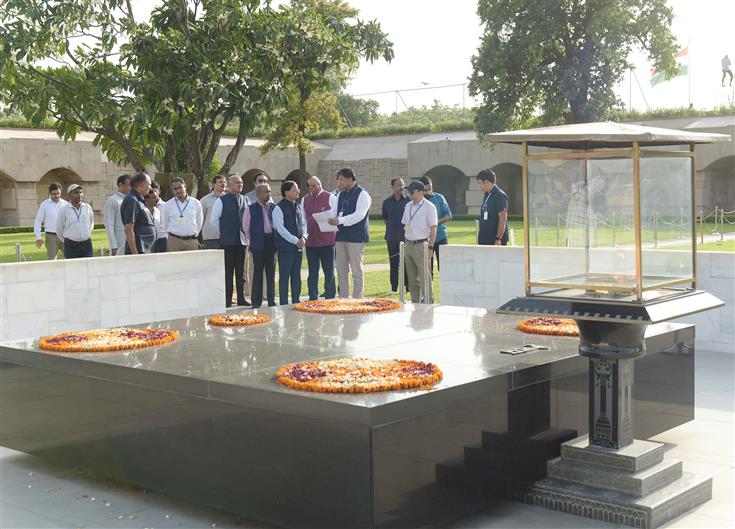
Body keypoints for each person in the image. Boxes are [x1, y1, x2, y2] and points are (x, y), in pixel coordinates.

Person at [328, 168, 371, 298]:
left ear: (350, 179)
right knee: (341, 270)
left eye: (341, 179)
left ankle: (357, 300)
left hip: (356, 238)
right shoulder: (340, 194)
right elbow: (333, 212)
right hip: (341, 237)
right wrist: (326, 218)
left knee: (356, 270)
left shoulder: (362, 194)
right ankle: (343, 298)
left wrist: (340, 220)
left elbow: (359, 215)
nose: (339, 182)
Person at [210, 175, 248, 307]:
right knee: (228, 272)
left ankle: (241, 298)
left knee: (241, 272)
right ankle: (227, 300)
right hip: (227, 242)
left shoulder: (245, 200)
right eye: (237, 182)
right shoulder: (221, 201)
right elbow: (214, 220)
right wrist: (224, 232)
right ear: (229, 185)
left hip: (242, 241)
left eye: (241, 182)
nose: (240, 184)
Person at [401, 181, 437, 303]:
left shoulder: (429, 207)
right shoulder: (408, 206)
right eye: (409, 191)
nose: (409, 194)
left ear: (421, 192)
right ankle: (415, 303)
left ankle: (428, 302)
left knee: (424, 277)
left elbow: (433, 228)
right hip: (408, 244)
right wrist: (407, 235)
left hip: (422, 245)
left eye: (412, 192)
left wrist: (431, 247)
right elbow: (406, 224)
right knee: (412, 279)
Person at [243, 183, 277, 308]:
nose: (268, 194)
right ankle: (256, 302)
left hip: (271, 243)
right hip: (258, 243)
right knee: (257, 273)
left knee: (271, 273)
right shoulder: (250, 209)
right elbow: (246, 228)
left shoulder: (273, 207)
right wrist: (253, 240)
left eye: (269, 191)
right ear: (258, 194)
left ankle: (271, 300)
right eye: (266, 192)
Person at [273, 180, 307, 306]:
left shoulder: (298, 206)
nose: (298, 191)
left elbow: (304, 224)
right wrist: (295, 241)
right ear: (286, 192)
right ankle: (283, 303)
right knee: (284, 276)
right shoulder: (278, 208)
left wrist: (304, 237)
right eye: (294, 189)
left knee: (296, 275)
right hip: (285, 248)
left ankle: (296, 300)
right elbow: (280, 229)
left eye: (297, 189)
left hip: (298, 248)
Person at [303, 176, 337, 300]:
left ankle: (330, 296)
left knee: (329, 271)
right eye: (310, 186)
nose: (312, 188)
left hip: (327, 241)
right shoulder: (304, 200)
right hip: (311, 242)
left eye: (315, 185)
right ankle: (313, 296)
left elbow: (335, 215)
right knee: (312, 272)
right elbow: (303, 219)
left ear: (320, 184)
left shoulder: (331, 198)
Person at [243, 171, 271, 299]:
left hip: (269, 240)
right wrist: (251, 239)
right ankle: (254, 294)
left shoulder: (269, 197)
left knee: (268, 269)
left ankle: (266, 294)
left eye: (265, 180)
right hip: (255, 240)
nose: (263, 183)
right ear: (254, 183)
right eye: (260, 180)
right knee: (254, 268)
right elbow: (246, 224)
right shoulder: (248, 197)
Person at [419, 175, 452, 274]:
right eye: (426, 190)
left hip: (441, 237)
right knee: (427, 269)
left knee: (444, 268)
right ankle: (429, 288)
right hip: (425, 240)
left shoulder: (439, 198)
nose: (429, 192)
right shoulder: (417, 201)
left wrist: (435, 222)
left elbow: (448, 215)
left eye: (430, 189)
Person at [381, 178, 409, 292]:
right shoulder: (386, 202)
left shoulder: (408, 201)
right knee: (393, 264)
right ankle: (394, 287)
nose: (402, 187)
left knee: (407, 263)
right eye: (399, 185)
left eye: (403, 184)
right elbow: (385, 218)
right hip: (391, 238)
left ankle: (408, 287)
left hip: (406, 237)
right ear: (392, 187)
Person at [163, 177, 203, 252]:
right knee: (173, 263)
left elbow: (199, 222)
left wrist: (193, 234)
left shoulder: (196, 203)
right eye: (175, 189)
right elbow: (165, 223)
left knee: (192, 263)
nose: (178, 190)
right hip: (174, 241)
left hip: (191, 241)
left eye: (180, 187)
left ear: (185, 187)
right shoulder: (168, 204)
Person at [121, 172, 156, 255]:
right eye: (149, 184)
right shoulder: (132, 200)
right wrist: (135, 254)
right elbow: (129, 230)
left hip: (145, 249)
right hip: (139, 250)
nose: (150, 188)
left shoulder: (138, 199)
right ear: (142, 184)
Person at [56, 183, 94, 259]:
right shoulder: (64, 210)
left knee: (88, 268)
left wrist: (86, 234)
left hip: (86, 244)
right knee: (72, 269)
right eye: (76, 193)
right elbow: (59, 229)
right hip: (71, 246)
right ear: (69, 195)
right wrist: (69, 240)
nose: (79, 195)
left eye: (80, 192)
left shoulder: (87, 207)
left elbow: (91, 223)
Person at [33, 182, 68, 260]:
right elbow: (38, 221)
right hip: (51, 236)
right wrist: (38, 237)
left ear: (61, 191)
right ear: (50, 193)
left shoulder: (66, 204)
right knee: (52, 260)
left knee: (69, 258)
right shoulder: (44, 204)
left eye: (58, 193)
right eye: (54, 194)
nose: (57, 196)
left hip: (65, 236)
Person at [477, 169, 508, 246]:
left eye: (480, 183)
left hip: (494, 241)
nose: (479, 186)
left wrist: (498, 239)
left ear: (486, 182)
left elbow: (502, 218)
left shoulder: (500, 195)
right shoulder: (487, 194)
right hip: (485, 240)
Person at [103, 174, 131, 256]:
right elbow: (109, 224)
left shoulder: (132, 200)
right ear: (120, 185)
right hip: (120, 241)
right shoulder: (113, 200)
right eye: (129, 185)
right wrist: (113, 245)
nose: (131, 188)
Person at [200, 174, 227, 249]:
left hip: (226, 237)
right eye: (220, 182)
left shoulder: (228, 199)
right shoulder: (205, 200)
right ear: (213, 184)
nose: (223, 184)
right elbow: (201, 218)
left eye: (224, 182)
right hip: (210, 237)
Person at [150, 181, 168, 253]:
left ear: (159, 191)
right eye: (150, 192)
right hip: (150, 239)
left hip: (162, 238)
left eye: (155, 191)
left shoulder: (166, 206)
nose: (153, 194)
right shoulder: (145, 206)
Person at [144, 187, 164, 252]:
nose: (157, 199)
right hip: (145, 244)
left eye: (156, 196)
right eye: (154, 197)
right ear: (146, 199)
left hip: (157, 243)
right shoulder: (142, 211)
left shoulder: (157, 211)